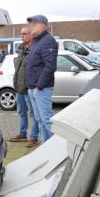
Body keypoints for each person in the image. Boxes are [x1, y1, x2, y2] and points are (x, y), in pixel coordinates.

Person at [26, 15, 58, 143]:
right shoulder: (37, 41)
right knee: (40, 120)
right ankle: (47, 147)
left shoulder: (48, 41)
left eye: (34, 22)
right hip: (33, 88)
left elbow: (50, 66)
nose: (31, 25)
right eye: (30, 23)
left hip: (41, 89)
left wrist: (39, 86)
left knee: (47, 120)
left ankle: (58, 149)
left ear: (43, 25)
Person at [8, 27, 39, 148]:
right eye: (21, 34)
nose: (22, 36)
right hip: (19, 88)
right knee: (21, 113)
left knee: (33, 114)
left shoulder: (35, 49)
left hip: (29, 88)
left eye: (24, 34)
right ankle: (22, 134)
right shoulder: (21, 49)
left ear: (32, 35)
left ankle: (34, 137)